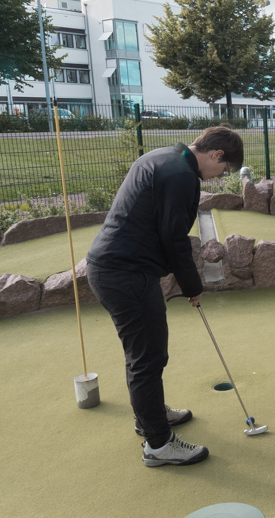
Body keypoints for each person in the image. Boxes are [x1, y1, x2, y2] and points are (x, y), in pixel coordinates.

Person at [85, 126, 243, 466]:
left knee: (143, 355)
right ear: (217, 155)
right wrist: (193, 286)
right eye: (223, 169)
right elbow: (174, 239)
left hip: (113, 267)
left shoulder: (162, 157)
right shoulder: (181, 175)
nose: (219, 176)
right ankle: (158, 445)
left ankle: (151, 417)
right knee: (148, 359)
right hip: (125, 273)